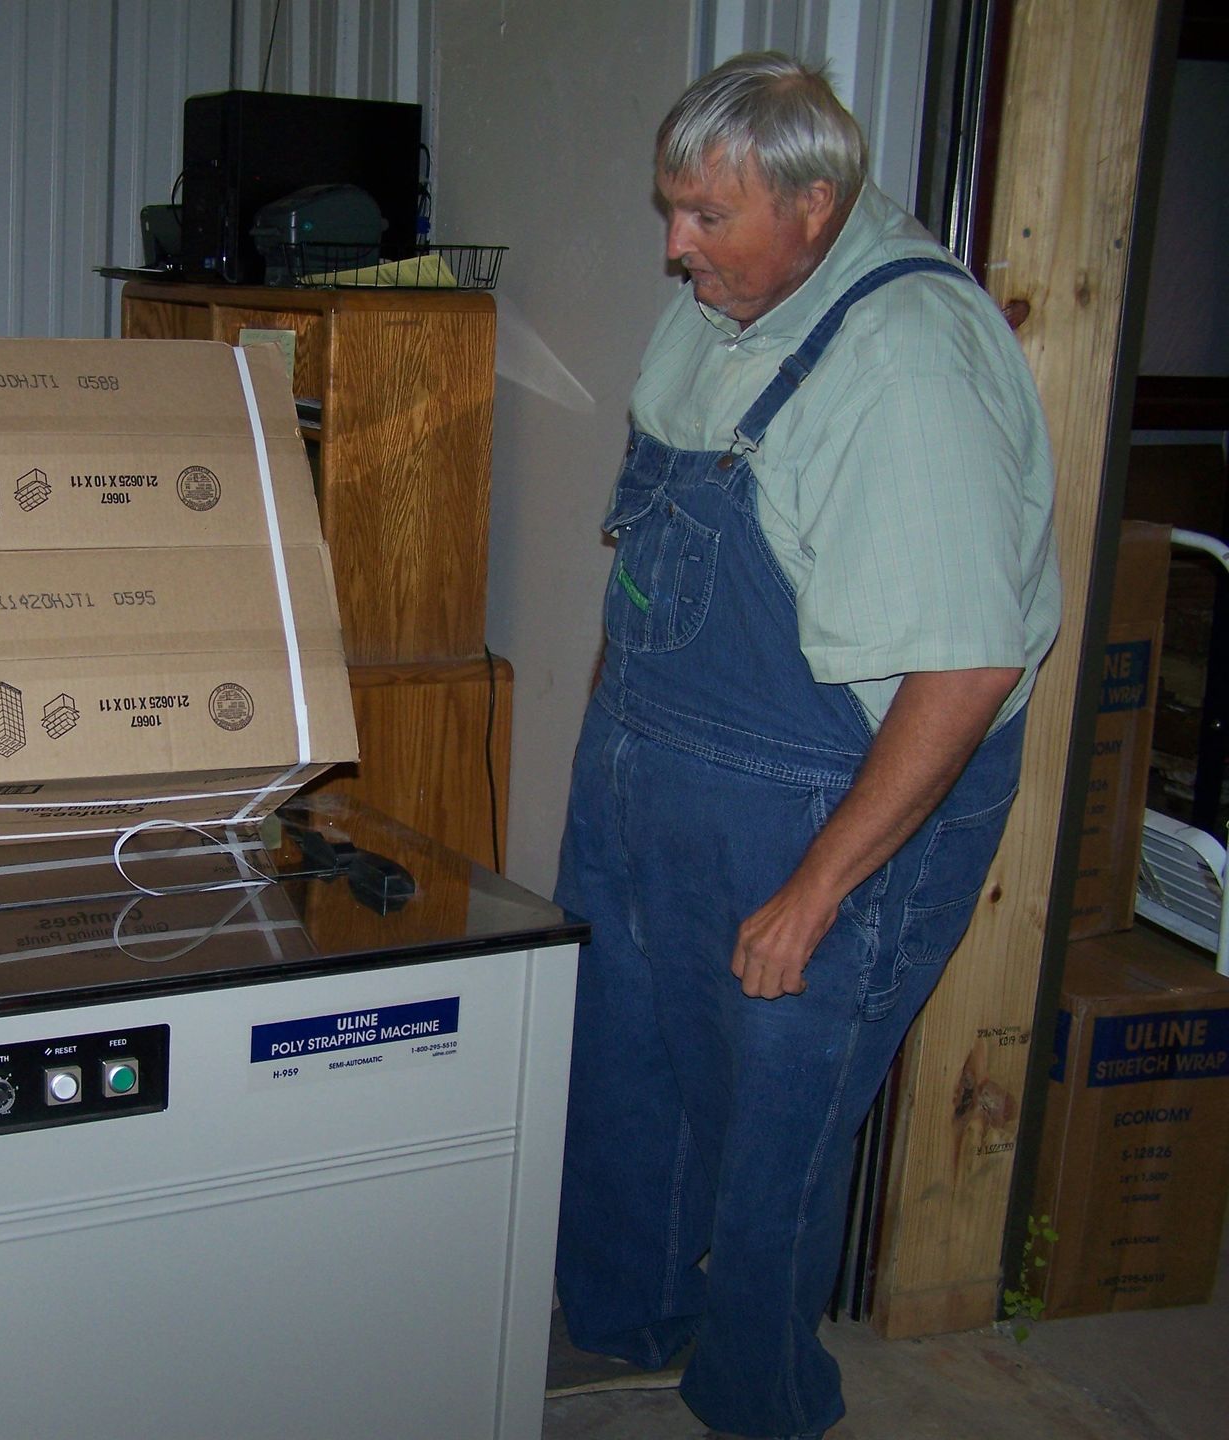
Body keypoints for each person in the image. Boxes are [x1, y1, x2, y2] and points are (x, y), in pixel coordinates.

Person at [548, 52, 1060, 1440]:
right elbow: (650, 555)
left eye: (707, 217)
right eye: (673, 210)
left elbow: (966, 669)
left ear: (816, 204)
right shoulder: (726, 304)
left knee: (773, 1124)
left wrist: (817, 892)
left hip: (827, 799)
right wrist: (608, 745)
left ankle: (761, 1396)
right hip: (651, 767)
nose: (677, 247)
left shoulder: (907, 370)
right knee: (627, 1080)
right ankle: (625, 1327)